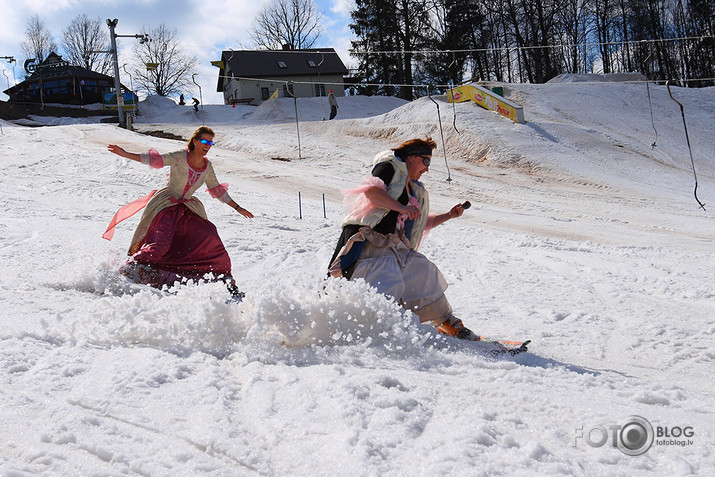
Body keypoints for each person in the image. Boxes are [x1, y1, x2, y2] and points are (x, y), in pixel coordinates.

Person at [328, 137, 478, 340]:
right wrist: (402, 207)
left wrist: (449, 215)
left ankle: (447, 322)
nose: (427, 168)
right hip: (369, 240)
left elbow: (418, 223)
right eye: (425, 161)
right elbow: (371, 192)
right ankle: (379, 328)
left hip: (393, 244)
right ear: (411, 158)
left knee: (422, 271)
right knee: (387, 278)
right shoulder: (389, 166)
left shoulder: (412, 190)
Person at [103, 126, 253, 294]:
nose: (208, 145)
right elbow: (156, 160)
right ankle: (127, 269)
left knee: (210, 238)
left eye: (210, 142)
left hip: (188, 208)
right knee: (160, 246)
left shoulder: (207, 166)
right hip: (167, 205)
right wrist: (125, 153)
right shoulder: (180, 156)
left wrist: (238, 208)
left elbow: (216, 189)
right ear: (195, 141)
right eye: (204, 141)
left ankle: (226, 280)